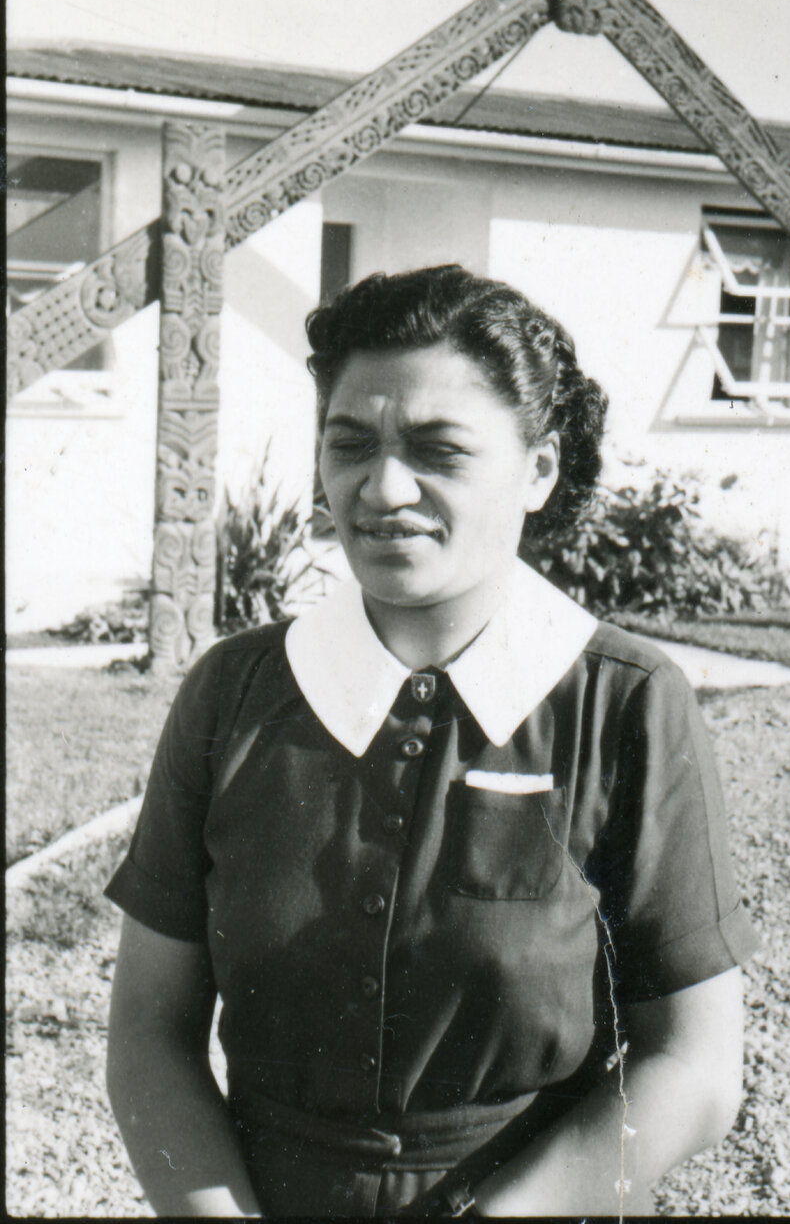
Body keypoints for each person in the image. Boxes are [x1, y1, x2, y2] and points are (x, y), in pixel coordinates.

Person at [105, 263, 757, 1217]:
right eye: (350, 443)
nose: (383, 485)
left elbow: (694, 1065)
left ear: (540, 467)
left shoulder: (625, 703)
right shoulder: (232, 695)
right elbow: (150, 1034)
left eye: (438, 448)